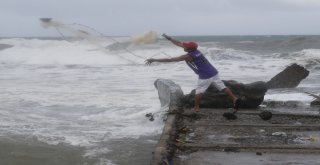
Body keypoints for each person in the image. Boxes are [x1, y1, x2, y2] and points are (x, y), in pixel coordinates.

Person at [145, 34, 241, 113]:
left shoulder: (188, 56)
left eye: (186, 46)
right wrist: (169, 38)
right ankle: (234, 98)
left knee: (199, 92)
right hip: (213, 71)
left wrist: (154, 59)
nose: (184, 46)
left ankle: (196, 108)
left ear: (189, 49)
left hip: (205, 76)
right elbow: (179, 43)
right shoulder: (196, 50)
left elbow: (171, 60)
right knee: (222, 87)